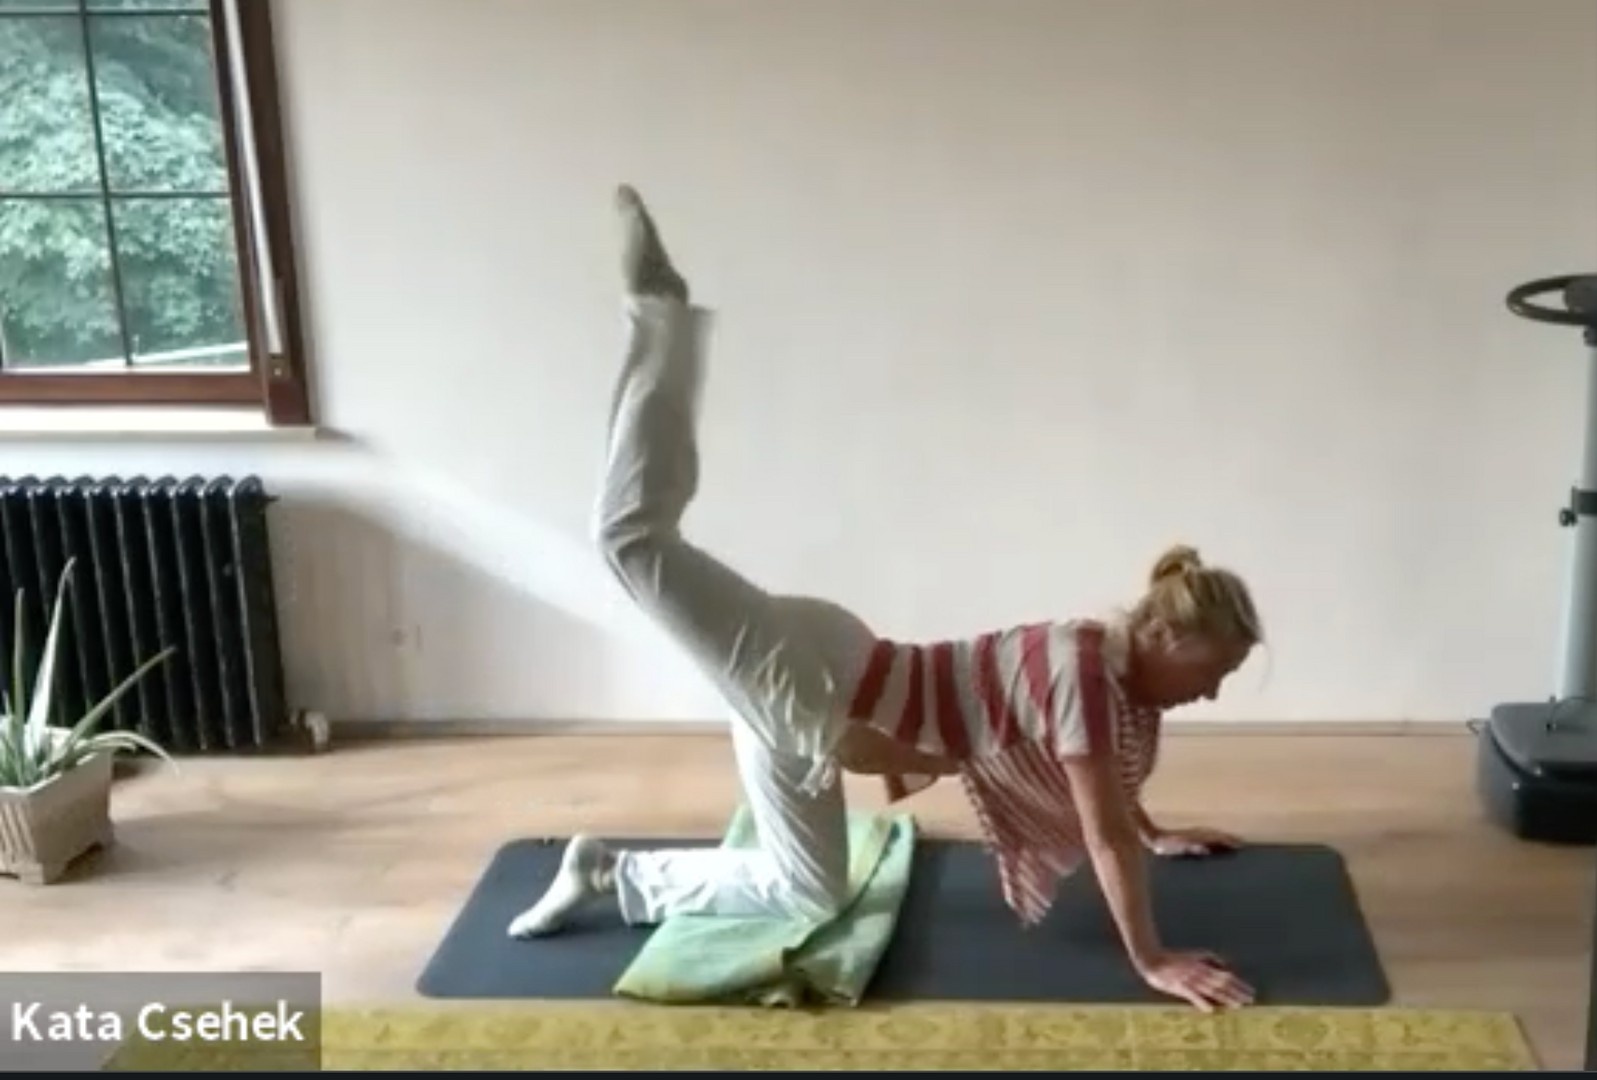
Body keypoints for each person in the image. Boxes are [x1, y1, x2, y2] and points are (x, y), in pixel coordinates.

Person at [506, 184, 1263, 1014]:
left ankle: (606, 872)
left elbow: (1111, 796)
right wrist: (1152, 960)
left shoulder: (1099, 660)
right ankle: (660, 315)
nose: (1211, 691)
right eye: (1214, 669)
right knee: (630, 540)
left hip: (814, 691)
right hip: (813, 683)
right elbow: (1103, 829)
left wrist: (1159, 833)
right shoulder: (1084, 675)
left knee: (810, 892)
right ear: (1165, 635)